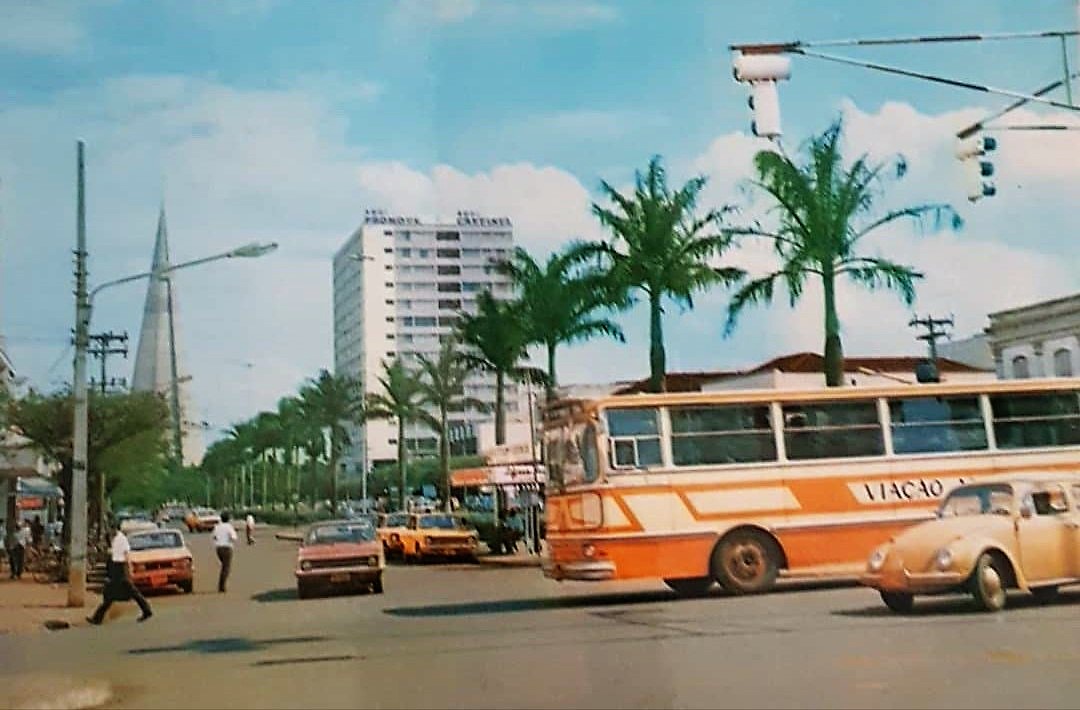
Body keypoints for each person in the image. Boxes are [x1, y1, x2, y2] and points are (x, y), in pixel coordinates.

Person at [88, 522, 152, 624]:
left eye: (111, 529)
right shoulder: (115, 539)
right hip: (115, 567)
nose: (110, 531)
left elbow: (126, 555)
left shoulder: (121, 539)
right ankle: (97, 618)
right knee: (111, 594)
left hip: (120, 568)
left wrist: (129, 569)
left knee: (128, 592)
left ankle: (147, 610)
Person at [212, 512, 238, 592]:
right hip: (227, 547)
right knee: (226, 567)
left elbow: (214, 537)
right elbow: (234, 537)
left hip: (218, 548)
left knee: (224, 566)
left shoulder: (217, 526)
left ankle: (221, 585)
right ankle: (221, 586)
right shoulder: (229, 527)